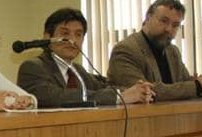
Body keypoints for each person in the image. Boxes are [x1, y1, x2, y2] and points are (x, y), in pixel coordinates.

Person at [17, 7, 155, 107]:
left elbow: (105, 87)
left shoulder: (78, 71)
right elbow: (59, 97)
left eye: (78, 34)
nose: (72, 40)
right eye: (65, 33)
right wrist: (120, 97)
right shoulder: (32, 67)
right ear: (47, 37)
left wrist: (138, 90)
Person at [107, 0, 202, 100]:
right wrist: (197, 87)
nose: (169, 29)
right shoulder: (125, 50)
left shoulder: (173, 51)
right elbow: (146, 92)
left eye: (175, 25)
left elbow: (187, 86)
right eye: (164, 21)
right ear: (148, 18)